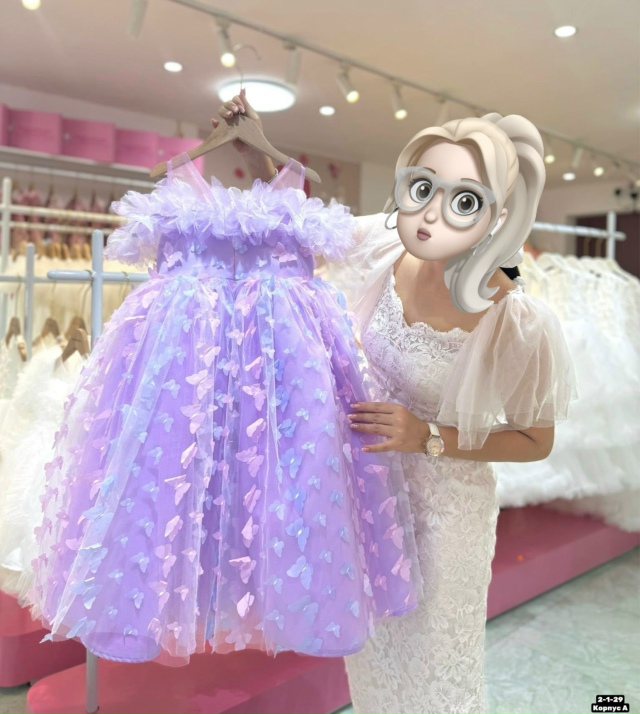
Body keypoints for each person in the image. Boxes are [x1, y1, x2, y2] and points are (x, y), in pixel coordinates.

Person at [215, 90, 576, 714]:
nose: (432, 213)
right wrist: (260, 155)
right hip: (364, 497)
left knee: (436, 677)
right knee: (374, 663)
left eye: (463, 200)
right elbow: (306, 228)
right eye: (423, 188)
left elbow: (535, 439)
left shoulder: (516, 321)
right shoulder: (385, 245)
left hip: (446, 516)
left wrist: (426, 435)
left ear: (496, 215)